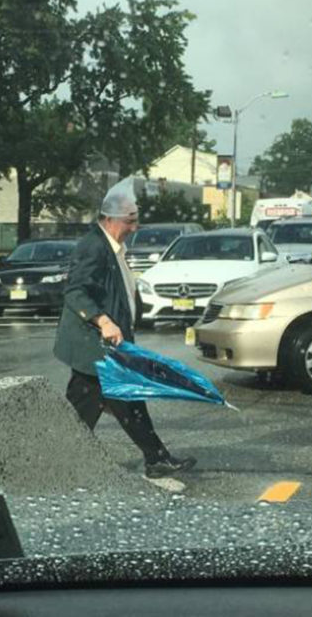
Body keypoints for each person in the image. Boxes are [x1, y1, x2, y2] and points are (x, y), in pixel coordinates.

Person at [54, 178, 196, 479]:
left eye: (135, 220)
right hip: (93, 345)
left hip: (106, 346)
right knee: (104, 404)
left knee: (110, 404)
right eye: (130, 221)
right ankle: (53, 462)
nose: (135, 227)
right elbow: (75, 292)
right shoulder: (93, 246)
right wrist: (103, 321)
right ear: (109, 218)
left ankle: (154, 458)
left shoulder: (113, 245)